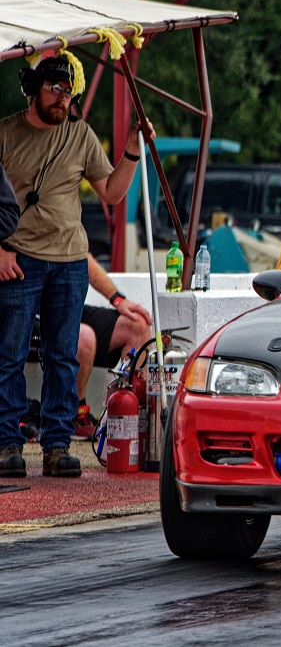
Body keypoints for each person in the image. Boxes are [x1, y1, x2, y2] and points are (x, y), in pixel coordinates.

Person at [0, 55, 151, 478]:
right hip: (19, 258)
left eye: (68, 91)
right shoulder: (7, 132)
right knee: (9, 353)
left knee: (63, 356)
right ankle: (7, 443)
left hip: (69, 263)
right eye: (55, 88)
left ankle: (56, 445)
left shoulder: (81, 135)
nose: (63, 98)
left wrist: (132, 151)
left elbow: (112, 192)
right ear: (34, 87)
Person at [70, 253, 152, 439]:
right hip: (31, 307)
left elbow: (82, 254)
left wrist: (117, 299)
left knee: (137, 324)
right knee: (84, 336)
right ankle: (76, 413)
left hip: (70, 305)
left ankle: (129, 415)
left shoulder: (71, 226)